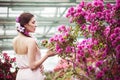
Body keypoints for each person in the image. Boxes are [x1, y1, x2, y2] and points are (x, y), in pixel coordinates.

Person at [12, 12, 56, 80]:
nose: (36, 25)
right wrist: (47, 55)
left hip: (20, 75)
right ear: (26, 25)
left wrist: (39, 64)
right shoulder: (30, 41)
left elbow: (27, 61)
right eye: (33, 22)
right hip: (32, 75)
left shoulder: (15, 40)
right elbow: (32, 66)